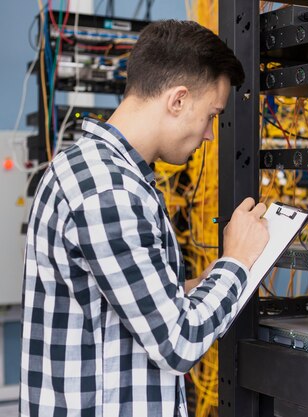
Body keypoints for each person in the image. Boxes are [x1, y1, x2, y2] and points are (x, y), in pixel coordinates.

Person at [20, 20, 269, 417]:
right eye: (211, 115)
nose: (209, 134)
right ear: (178, 100)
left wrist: (206, 281)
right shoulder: (108, 190)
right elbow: (178, 343)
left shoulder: (97, 171)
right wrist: (236, 261)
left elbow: (124, 305)